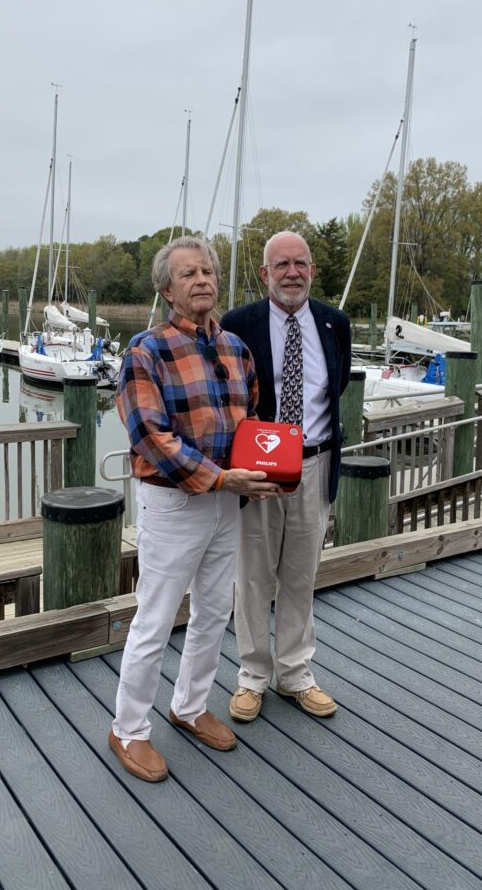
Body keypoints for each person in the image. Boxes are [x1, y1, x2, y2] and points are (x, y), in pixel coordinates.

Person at [109, 235, 282, 782]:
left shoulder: (235, 347)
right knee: (156, 618)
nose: (203, 279)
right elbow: (148, 434)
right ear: (166, 289)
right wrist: (216, 476)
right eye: (188, 274)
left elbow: (251, 421)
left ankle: (189, 705)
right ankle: (129, 729)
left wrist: (260, 473)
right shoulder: (146, 350)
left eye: (207, 270)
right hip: (174, 503)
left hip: (229, 500)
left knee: (214, 612)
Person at [221, 230, 351, 722]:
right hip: (257, 468)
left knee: (301, 574)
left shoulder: (334, 324)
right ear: (264, 274)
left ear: (312, 271)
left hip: (314, 465)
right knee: (253, 575)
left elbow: (334, 388)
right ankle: (252, 676)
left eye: (301, 263)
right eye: (282, 265)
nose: (292, 272)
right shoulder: (238, 325)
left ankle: (295, 674)